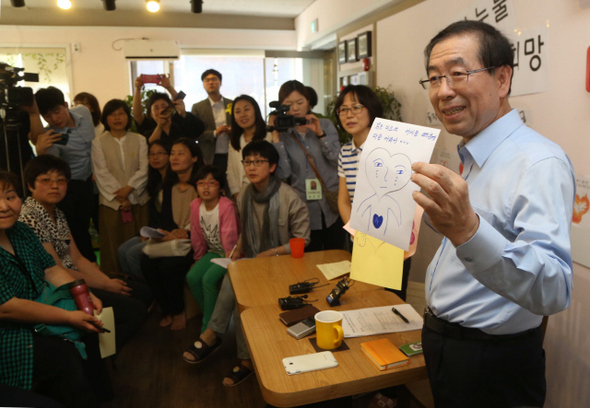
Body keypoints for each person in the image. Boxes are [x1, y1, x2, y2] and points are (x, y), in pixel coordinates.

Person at [412, 21, 575, 407]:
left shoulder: (539, 162)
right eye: (434, 79)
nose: (443, 91)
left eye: (457, 74)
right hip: (446, 344)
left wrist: (467, 229)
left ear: (502, 79)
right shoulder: (472, 153)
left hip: (492, 362)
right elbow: (477, 234)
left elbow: (554, 288)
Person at [182, 141, 310, 388]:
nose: (251, 167)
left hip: (282, 265)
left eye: (258, 161)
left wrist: (268, 254)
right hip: (252, 261)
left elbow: (302, 241)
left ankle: (213, 334)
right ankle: (245, 359)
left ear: (272, 166)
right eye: (248, 162)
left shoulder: (289, 197)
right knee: (237, 277)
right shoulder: (244, 195)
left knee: (236, 279)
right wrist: (238, 249)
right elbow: (245, 235)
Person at [19, 155, 151, 350]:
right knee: (135, 310)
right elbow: (57, 269)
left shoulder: (57, 212)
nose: (54, 185)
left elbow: (77, 258)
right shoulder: (30, 216)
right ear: (31, 185)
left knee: (142, 293)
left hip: (75, 279)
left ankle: (102, 352)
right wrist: (105, 284)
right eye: (46, 180)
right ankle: (94, 354)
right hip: (58, 289)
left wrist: (106, 282)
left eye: (61, 180)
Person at [0, 170, 108, 408]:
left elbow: (51, 270)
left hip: (42, 309)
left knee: (93, 332)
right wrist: (69, 317)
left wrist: (83, 294)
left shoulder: (21, 231)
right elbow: (7, 308)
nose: (4, 206)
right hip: (10, 333)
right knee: (62, 356)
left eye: (10, 196)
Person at [271, 80, 344, 252]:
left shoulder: (324, 124)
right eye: (288, 104)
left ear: (309, 102)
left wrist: (320, 134)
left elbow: (338, 160)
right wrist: (275, 137)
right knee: (311, 260)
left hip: (332, 203)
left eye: (300, 102)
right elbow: (284, 172)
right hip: (304, 209)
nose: (295, 108)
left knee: (337, 256)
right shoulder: (284, 134)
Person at [140, 138, 203, 330]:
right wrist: (169, 232)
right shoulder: (167, 185)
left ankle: (178, 312)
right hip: (175, 239)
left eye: (180, 153)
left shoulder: (202, 183)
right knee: (146, 260)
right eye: (173, 153)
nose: (174, 157)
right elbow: (166, 219)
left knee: (169, 267)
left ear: (194, 158)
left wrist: (186, 232)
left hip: (198, 241)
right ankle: (166, 308)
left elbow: (207, 219)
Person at [34, 86, 97, 263]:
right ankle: (85, 267)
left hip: (95, 179)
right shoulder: (50, 135)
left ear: (66, 105)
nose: (54, 118)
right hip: (72, 185)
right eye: (47, 115)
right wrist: (41, 151)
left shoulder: (84, 112)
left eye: (57, 111)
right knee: (77, 230)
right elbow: (54, 167)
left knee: (98, 225)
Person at [91, 99, 149, 274]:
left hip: (138, 201)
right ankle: (116, 284)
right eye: (112, 114)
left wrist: (129, 189)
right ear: (105, 118)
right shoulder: (98, 142)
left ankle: (142, 284)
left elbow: (144, 168)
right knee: (113, 245)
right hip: (111, 203)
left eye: (121, 113)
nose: (117, 118)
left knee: (140, 243)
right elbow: (101, 172)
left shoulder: (139, 139)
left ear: (128, 116)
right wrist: (121, 196)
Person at [185, 165, 239, 346]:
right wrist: (198, 259)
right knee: (192, 277)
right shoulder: (195, 205)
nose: (205, 187)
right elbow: (196, 235)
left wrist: (228, 261)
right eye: (201, 183)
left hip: (230, 254)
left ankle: (207, 330)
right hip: (212, 252)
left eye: (211, 183)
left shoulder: (226, 205)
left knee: (208, 280)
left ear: (220, 187)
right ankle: (217, 321)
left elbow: (231, 238)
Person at [118, 140, 170, 279]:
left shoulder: (173, 181)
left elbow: (169, 217)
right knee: (122, 250)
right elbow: (154, 215)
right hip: (154, 229)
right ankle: (136, 290)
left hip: (168, 232)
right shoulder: (154, 181)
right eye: (151, 154)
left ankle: (149, 292)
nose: (155, 157)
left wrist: (154, 233)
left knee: (132, 253)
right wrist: (147, 231)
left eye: (160, 153)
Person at [133, 75, 204, 147]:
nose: (161, 110)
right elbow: (137, 115)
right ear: (150, 114)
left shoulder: (178, 123)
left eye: (164, 106)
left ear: (171, 108)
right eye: (156, 108)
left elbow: (198, 130)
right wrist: (138, 89)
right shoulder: (148, 128)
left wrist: (169, 87)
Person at [226, 94, 272, 199]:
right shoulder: (235, 140)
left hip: (265, 195)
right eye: (237, 112)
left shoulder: (268, 136)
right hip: (241, 196)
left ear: (256, 111)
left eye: (246, 109)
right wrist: (236, 194)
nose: (242, 115)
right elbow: (230, 171)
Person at [191, 69, 233, 169]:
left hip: (232, 152)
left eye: (214, 79)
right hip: (209, 156)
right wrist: (215, 133)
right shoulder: (198, 107)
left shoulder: (232, 104)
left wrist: (233, 130)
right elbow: (195, 134)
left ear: (220, 82)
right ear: (203, 84)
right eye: (207, 80)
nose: (211, 82)